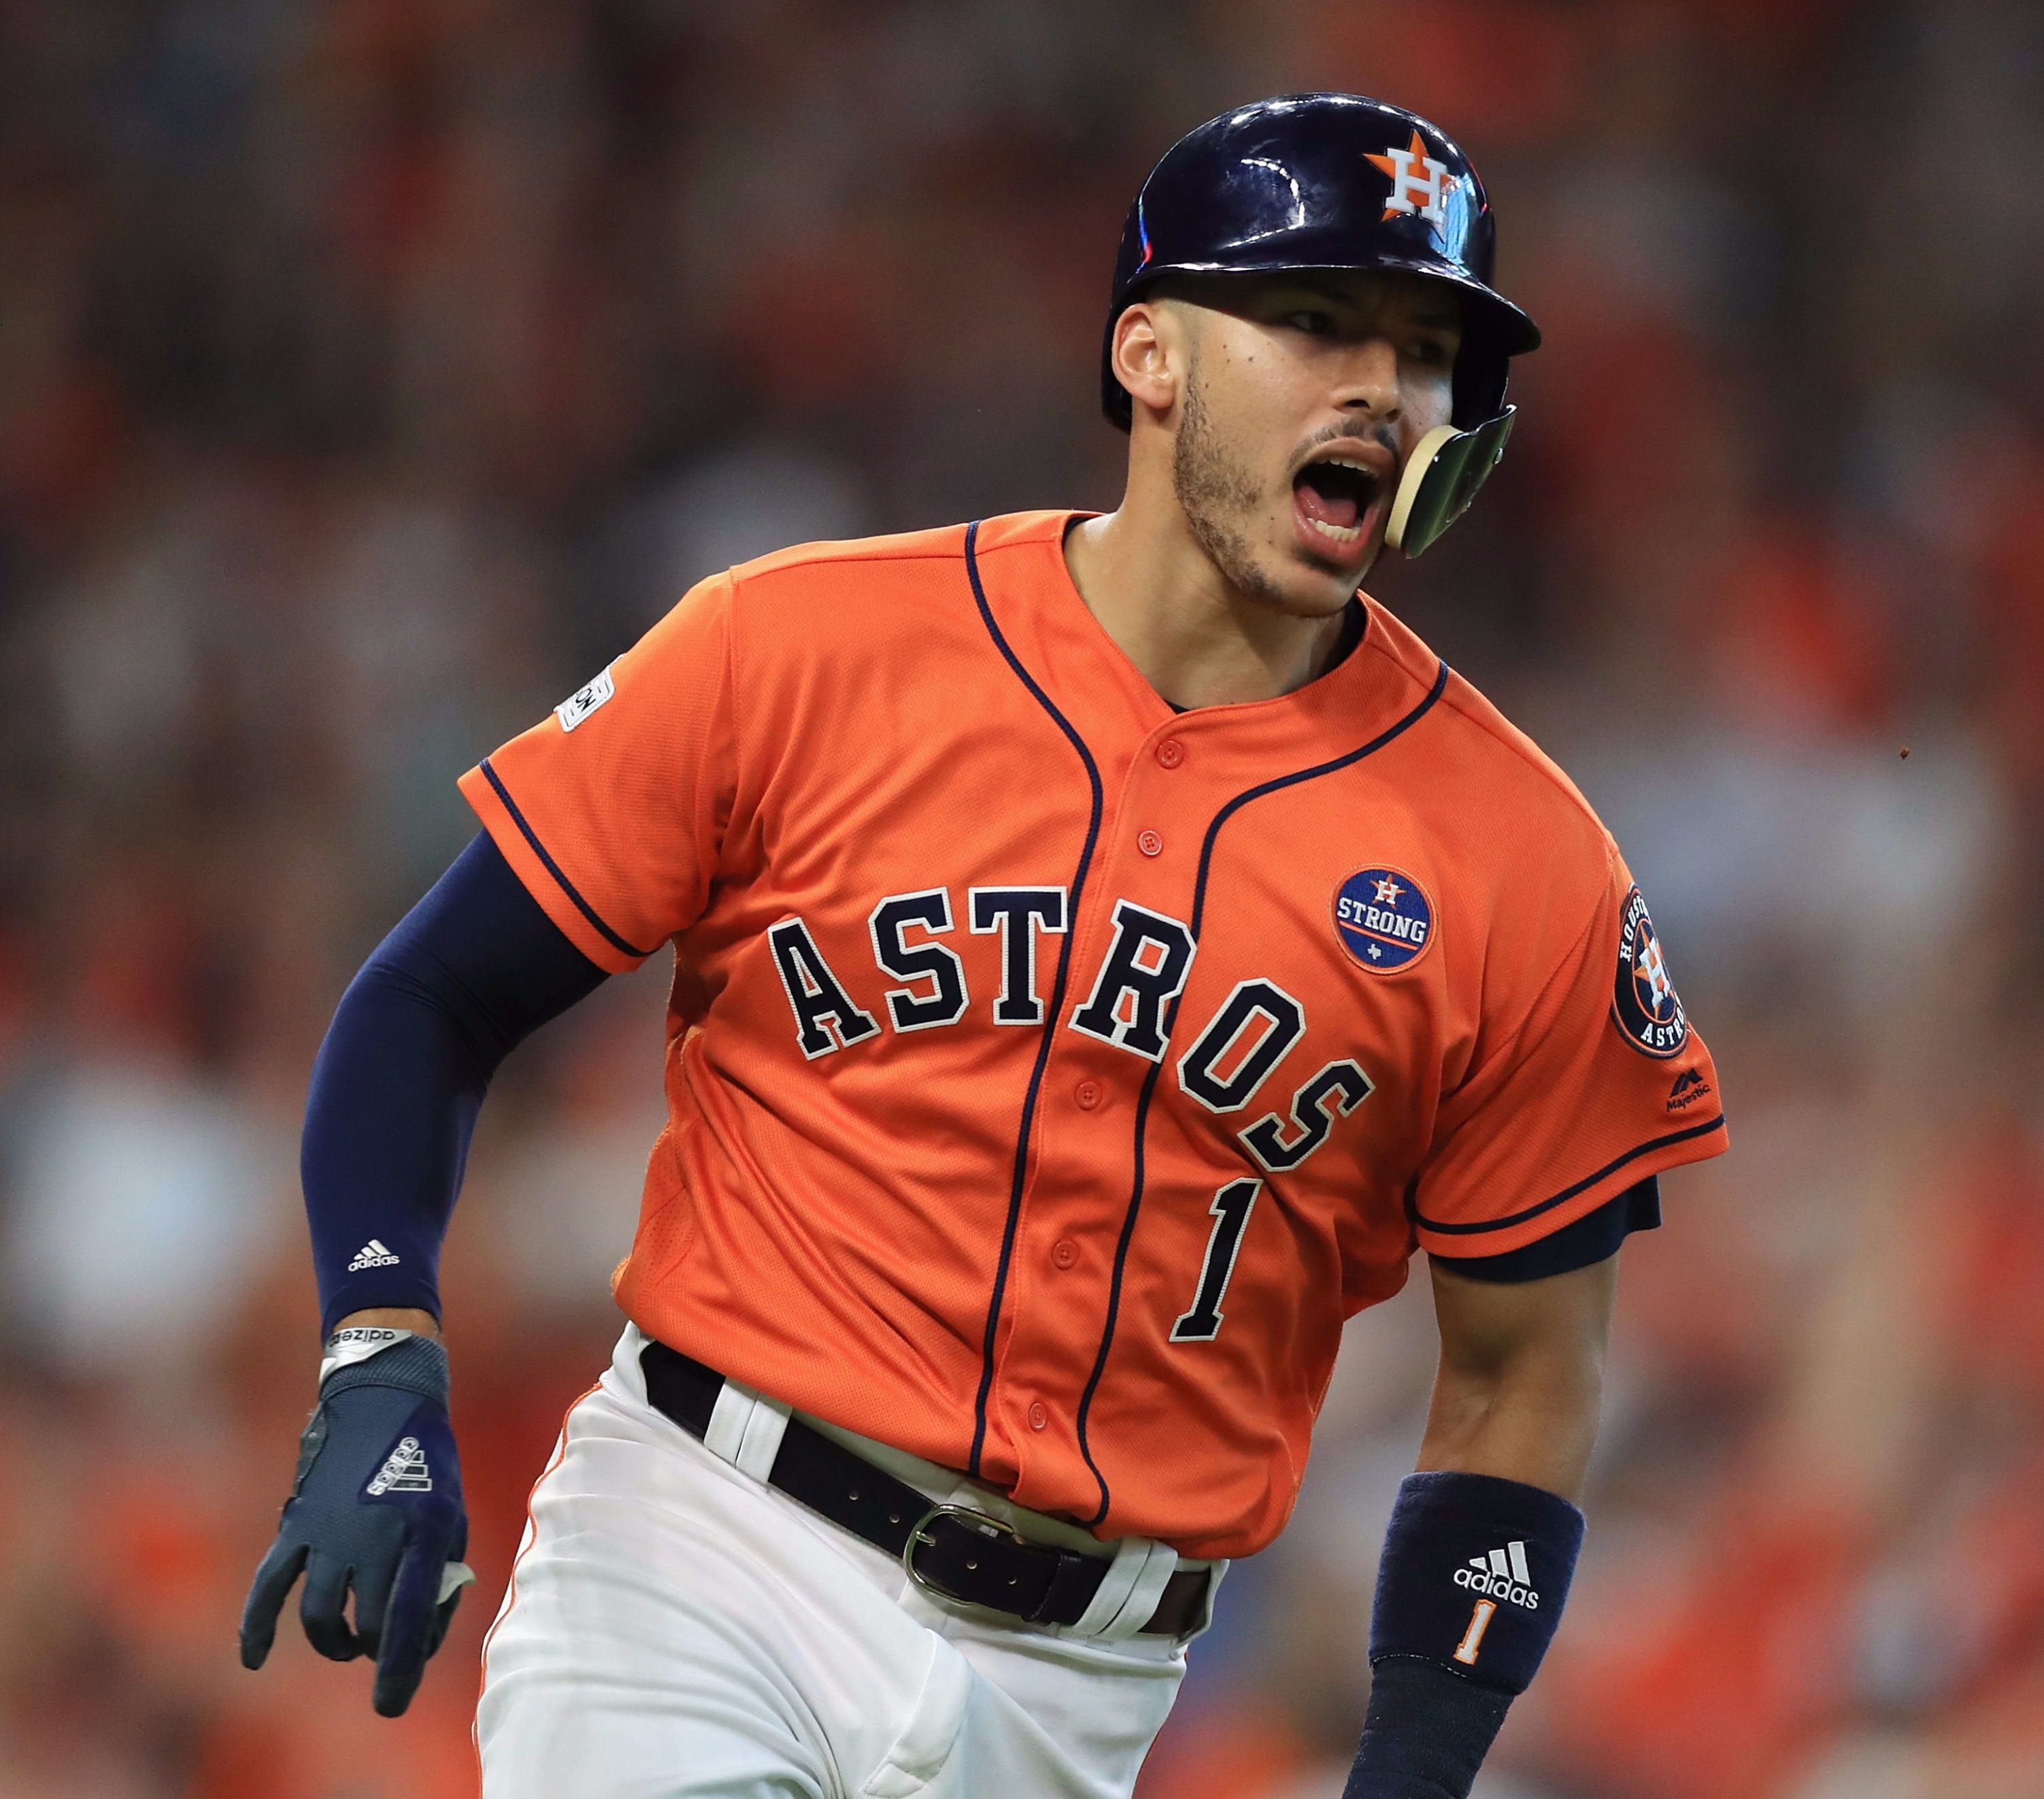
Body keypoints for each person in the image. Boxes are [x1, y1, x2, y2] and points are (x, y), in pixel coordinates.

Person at [237, 92, 1728, 1798]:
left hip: (1085, 1683)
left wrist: (1420, 1760)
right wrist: (378, 1343)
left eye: (1426, 349)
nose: (1378, 390)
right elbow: (433, 992)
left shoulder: (1524, 861)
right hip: (702, 1550)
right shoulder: (799, 646)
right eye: (1317, 320)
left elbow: (1526, 1379)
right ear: (1150, 353)